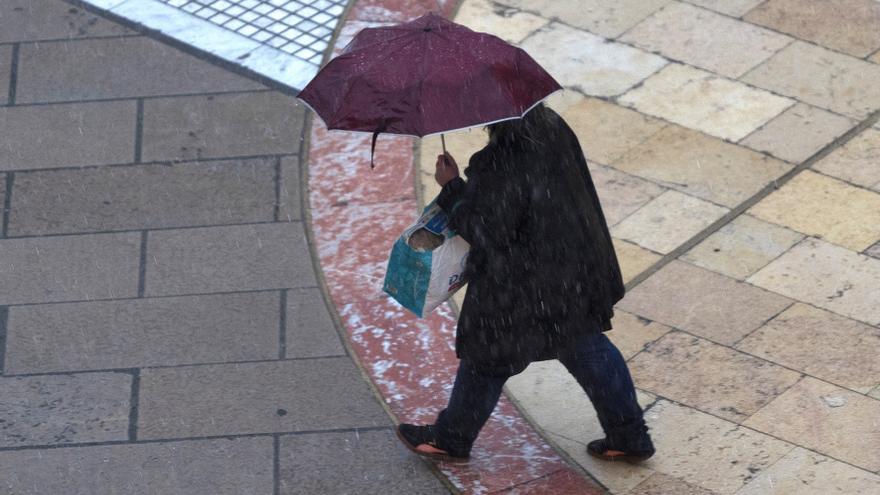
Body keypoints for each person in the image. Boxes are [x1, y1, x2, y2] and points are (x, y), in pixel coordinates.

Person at [395, 103, 655, 463]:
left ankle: (452, 437)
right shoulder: (551, 126)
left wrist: (453, 188)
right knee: (587, 349)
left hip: (519, 286)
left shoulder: (503, 162)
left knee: (486, 359)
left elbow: (487, 230)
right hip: (571, 273)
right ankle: (630, 436)